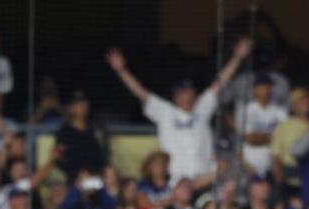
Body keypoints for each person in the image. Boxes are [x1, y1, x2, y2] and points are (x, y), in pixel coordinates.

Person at [106, 38, 251, 183]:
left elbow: (219, 83)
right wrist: (121, 70)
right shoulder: (165, 111)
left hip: (205, 176)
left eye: (190, 92)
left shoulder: (202, 108)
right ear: (175, 97)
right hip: (178, 182)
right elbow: (140, 92)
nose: (188, 96)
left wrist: (237, 58)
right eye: (183, 93)